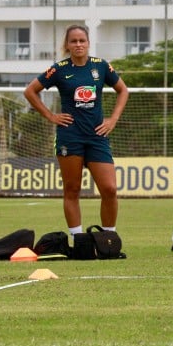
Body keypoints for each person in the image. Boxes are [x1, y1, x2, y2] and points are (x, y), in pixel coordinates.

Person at [24, 24, 129, 237]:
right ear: (67, 45)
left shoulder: (101, 66)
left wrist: (113, 119)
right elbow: (30, 91)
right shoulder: (59, 69)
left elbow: (123, 90)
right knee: (72, 190)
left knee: (109, 189)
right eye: (74, 41)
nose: (78, 44)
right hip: (70, 137)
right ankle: (78, 238)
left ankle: (108, 237)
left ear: (88, 43)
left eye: (82, 40)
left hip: (97, 136)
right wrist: (51, 116)